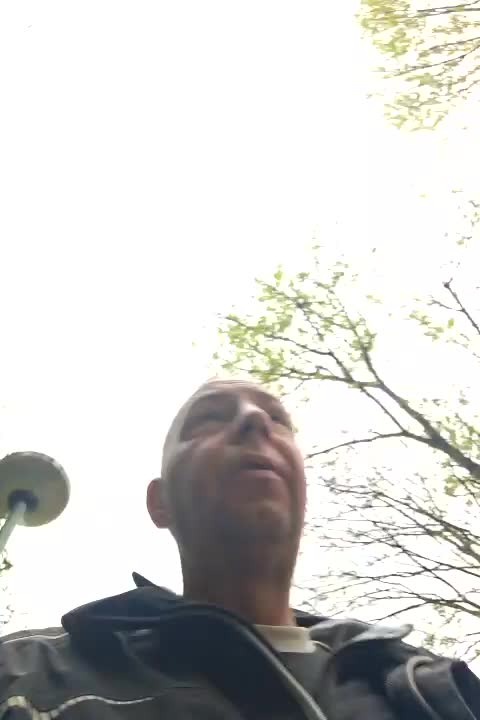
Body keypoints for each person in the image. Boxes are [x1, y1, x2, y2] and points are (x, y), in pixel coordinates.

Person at [1, 378, 479, 720]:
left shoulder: (430, 686)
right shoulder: (26, 675)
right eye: (210, 418)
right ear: (161, 502)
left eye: (277, 419)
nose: (254, 420)